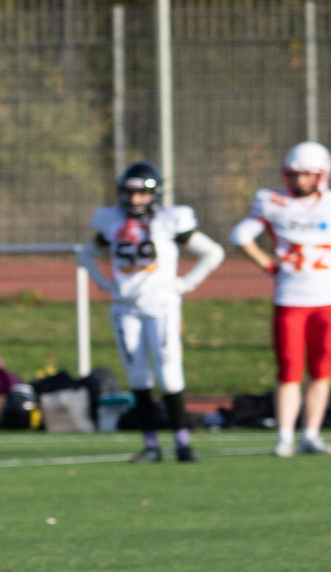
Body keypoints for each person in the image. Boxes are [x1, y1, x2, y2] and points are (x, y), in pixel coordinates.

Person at [228, 142, 331, 456]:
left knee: (322, 369)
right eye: (294, 175)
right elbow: (240, 235)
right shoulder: (273, 202)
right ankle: (284, 435)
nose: (299, 182)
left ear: (321, 175)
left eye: (306, 175)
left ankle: (311, 433)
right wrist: (268, 264)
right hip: (290, 297)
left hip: (327, 298)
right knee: (289, 369)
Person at [77, 161, 224, 462]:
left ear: (154, 194)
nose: (134, 201)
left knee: (170, 374)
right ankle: (151, 445)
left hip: (162, 305)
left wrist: (186, 283)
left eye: (141, 195)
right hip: (125, 308)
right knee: (138, 378)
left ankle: (182, 442)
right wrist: (105, 282)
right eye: (129, 194)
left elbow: (213, 252)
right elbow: (86, 254)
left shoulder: (170, 220)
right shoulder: (111, 221)